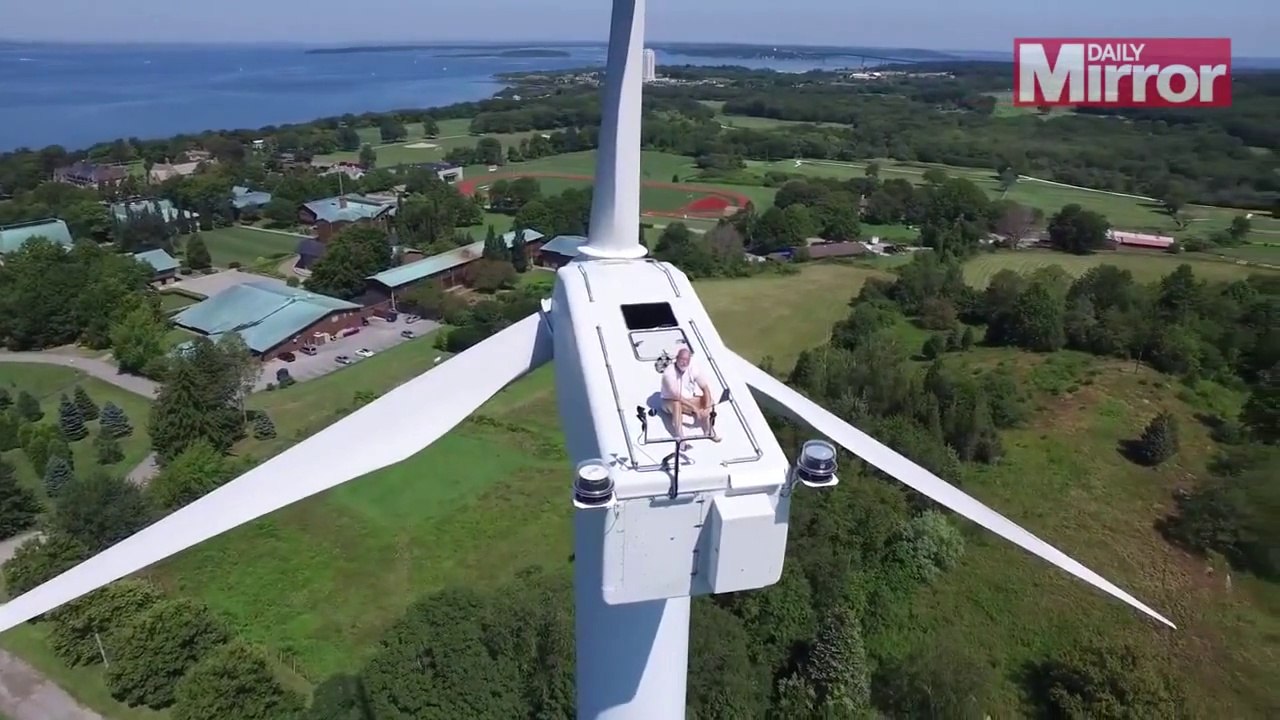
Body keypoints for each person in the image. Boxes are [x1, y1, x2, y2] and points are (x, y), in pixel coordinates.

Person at [660, 348, 720, 442]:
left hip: (688, 400)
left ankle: (709, 430)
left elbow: (705, 388)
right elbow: (677, 396)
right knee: (677, 404)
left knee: (709, 400)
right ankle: (680, 437)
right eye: (682, 359)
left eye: (686, 360)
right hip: (669, 401)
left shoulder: (693, 368)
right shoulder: (669, 373)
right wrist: (695, 408)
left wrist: (706, 407)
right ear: (676, 358)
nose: (684, 362)